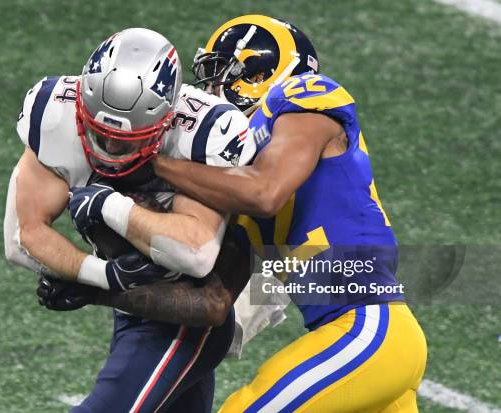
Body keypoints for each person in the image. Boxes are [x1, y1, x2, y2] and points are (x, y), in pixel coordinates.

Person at [144, 15, 427, 412]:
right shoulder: (238, 182)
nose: (210, 90)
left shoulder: (302, 96)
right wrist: (100, 284)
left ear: (260, 72)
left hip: (366, 330)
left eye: (221, 74)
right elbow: (215, 306)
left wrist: (155, 164)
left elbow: (265, 193)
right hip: (367, 342)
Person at [4, 27, 256, 413]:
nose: (111, 149)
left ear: (168, 121)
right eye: (98, 132)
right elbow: (23, 236)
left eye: (128, 139)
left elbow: (197, 254)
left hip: (202, 309)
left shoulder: (204, 133)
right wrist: (103, 277)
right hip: (137, 311)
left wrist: (110, 206)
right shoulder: (52, 108)